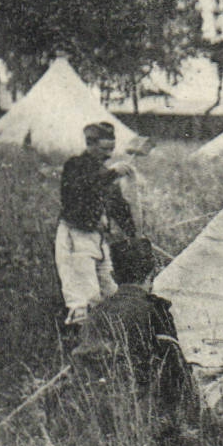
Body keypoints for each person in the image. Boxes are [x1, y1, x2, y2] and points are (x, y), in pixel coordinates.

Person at [68, 236, 197, 431]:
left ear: (113, 276)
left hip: (98, 414)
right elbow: (176, 371)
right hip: (142, 416)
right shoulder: (154, 310)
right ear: (152, 273)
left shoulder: (96, 313)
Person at [56, 122, 137, 326]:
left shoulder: (105, 172)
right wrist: (112, 174)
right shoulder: (74, 166)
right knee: (83, 294)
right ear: (90, 144)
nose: (108, 155)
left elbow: (118, 206)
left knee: (110, 291)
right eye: (104, 149)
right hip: (76, 236)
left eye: (111, 149)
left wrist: (133, 234)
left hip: (98, 239)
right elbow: (82, 188)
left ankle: (108, 338)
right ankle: (80, 345)